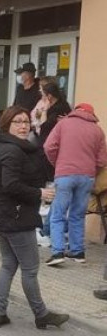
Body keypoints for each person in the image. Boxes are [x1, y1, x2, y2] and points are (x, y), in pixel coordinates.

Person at [0, 105, 69, 330]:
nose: (23, 126)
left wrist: (41, 125)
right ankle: (41, 314)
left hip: (2, 215)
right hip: (16, 218)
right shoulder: (13, 151)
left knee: (8, 265)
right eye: (18, 122)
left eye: (26, 121)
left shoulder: (4, 145)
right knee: (30, 269)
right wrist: (39, 193)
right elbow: (11, 184)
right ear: (7, 124)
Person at [43, 103, 107, 266]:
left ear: (76, 110)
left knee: (58, 214)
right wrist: (92, 169)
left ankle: (57, 252)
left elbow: (48, 146)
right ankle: (78, 252)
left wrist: (57, 163)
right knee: (77, 214)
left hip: (65, 175)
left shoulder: (63, 124)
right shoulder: (97, 130)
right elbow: (102, 159)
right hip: (87, 177)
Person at [34, 83, 71, 247]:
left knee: (52, 190)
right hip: (54, 154)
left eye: (43, 93)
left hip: (51, 154)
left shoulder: (57, 109)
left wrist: (44, 112)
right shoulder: (63, 107)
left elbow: (43, 127)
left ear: (49, 95)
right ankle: (49, 228)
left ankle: (47, 230)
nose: (41, 96)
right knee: (54, 191)